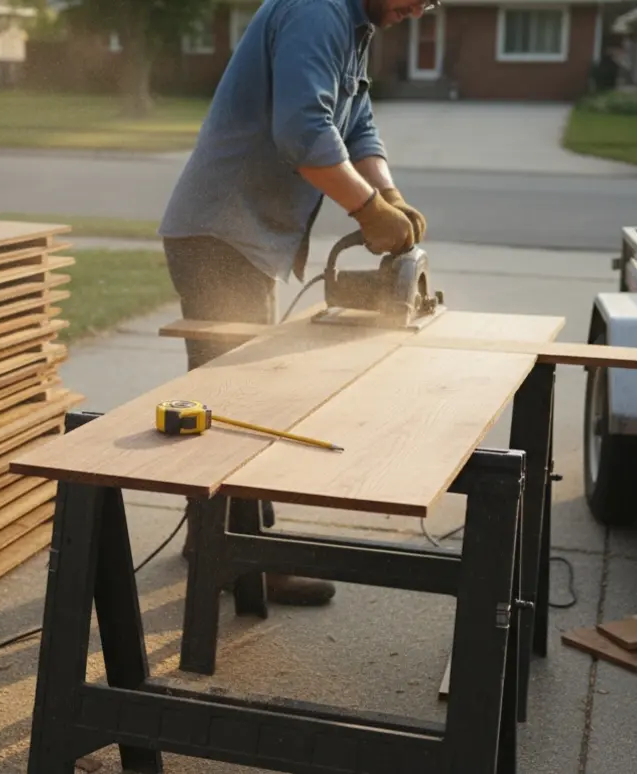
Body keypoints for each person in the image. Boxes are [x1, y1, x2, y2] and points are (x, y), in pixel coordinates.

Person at [158, 0, 432, 606]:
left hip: (239, 236)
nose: (420, 9)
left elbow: (355, 125)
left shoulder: (353, 25)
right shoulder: (318, 10)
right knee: (237, 402)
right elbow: (303, 130)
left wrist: (388, 193)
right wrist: (365, 211)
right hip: (220, 234)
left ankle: (213, 541)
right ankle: (247, 562)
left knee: (225, 394)